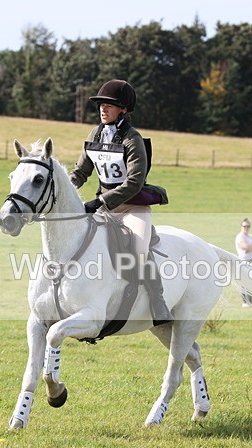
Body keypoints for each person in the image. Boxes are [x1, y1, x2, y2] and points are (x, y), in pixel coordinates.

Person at [69, 79, 173, 325]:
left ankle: (158, 301)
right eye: (101, 104)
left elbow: (135, 181)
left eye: (109, 105)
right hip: (104, 207)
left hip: (132, 207)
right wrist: (66, 191)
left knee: (138, 251)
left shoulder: (132, 139)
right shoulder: (94, 134)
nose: (102, 109)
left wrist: (102, 200)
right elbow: (81, 172)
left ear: (123, 109)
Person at [235, 217, 252, 306]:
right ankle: (245, 301)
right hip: (244, 260)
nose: (246, 228)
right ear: (241, 226)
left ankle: (250, 301)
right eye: (244, 226)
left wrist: (250, 248)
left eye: (248, 226)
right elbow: (245, 247)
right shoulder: (240, 236)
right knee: (245, 281)